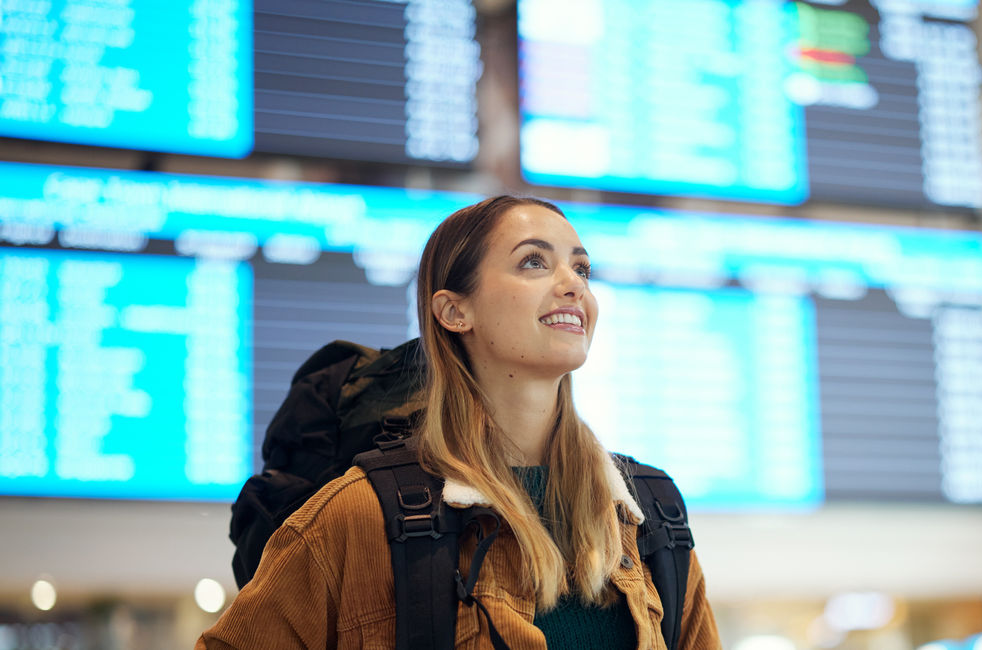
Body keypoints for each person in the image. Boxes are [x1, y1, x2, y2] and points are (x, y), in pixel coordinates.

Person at [197, 196, 720, 649]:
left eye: (580, 269)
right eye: (534, 263)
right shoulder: (358, 515)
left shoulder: (650, 514)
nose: (572, 287)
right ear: (453, 312)